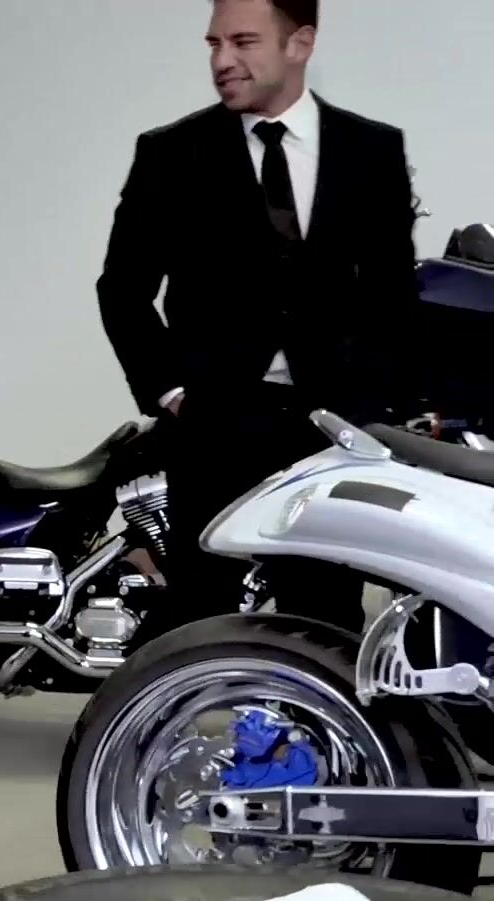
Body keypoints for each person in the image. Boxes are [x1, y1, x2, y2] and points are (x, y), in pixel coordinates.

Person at [96, 0, 419, 630]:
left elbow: (392, 296)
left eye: (243, 42)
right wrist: (172, 393)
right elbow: (122, 289)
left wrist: (381, 408)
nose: (222, 61)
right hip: (215, 422)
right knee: (201, 615)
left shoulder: (370, 149)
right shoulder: (171, 152)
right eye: (213, 44)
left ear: (300, 43)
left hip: (332, 428)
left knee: (325, 615)